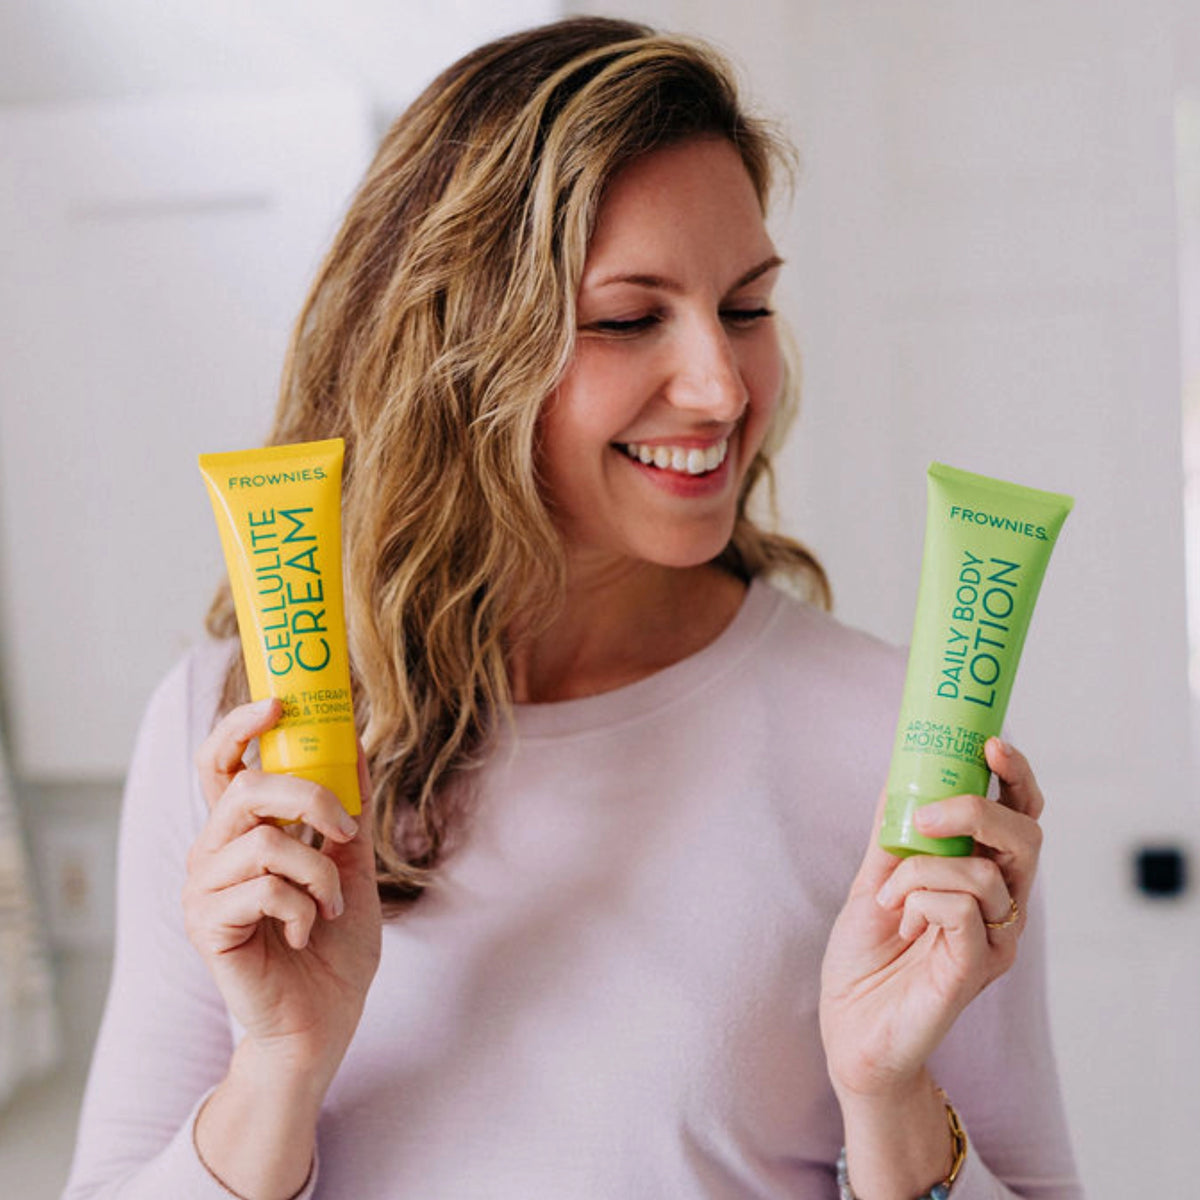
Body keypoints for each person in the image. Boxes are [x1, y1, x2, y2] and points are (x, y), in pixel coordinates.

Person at [64, 17, 1083, 1200]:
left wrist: (890, 1101)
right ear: (459, 348)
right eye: (629, 316)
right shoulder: (236, 729)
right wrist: (277, 1073)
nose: (720, 387)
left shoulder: (895, 740)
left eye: (745, 307)